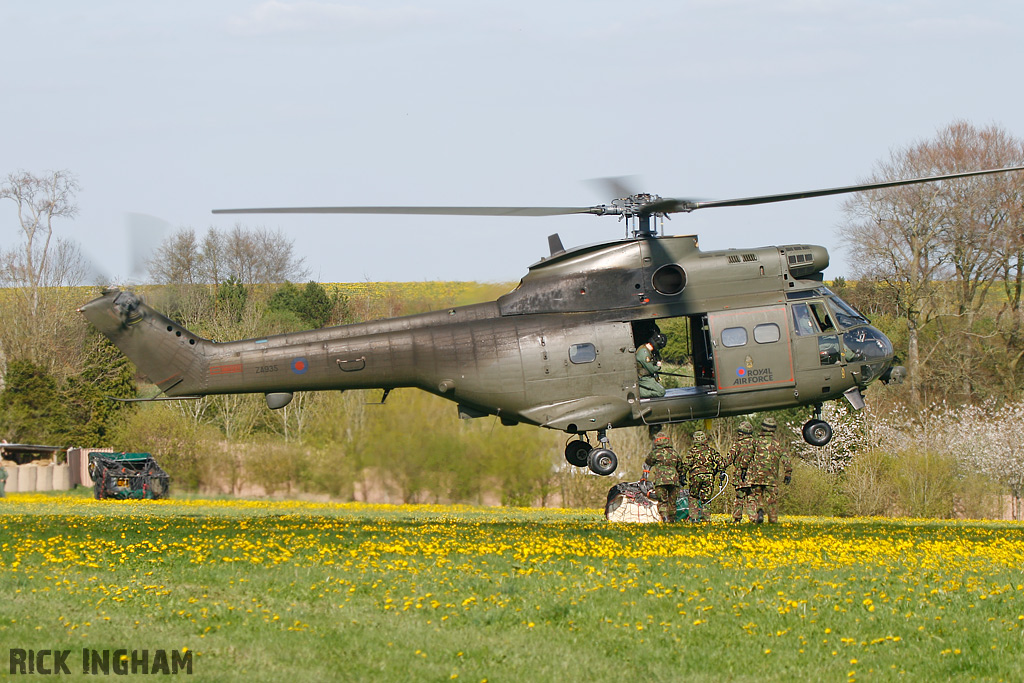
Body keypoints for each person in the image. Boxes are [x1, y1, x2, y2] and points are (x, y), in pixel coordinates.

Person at [743, 417, 793, 523]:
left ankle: (760, 511)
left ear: (763, 427)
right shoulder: (778, 444)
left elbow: (747, 457)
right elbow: (786, 459)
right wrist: (788, 473)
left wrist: (744, 470)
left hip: (756, 476)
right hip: (771, 478)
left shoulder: (756, 442)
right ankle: (773, 521)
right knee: (772, 500)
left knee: (757, 496)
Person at [644, 431, 686, 523]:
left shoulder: (655, 453)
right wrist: (682, 478)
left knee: (663, 501)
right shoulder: (674, 453)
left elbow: (647, 462)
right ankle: (672, 520)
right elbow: (681, 467)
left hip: (660, 481)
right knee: (672, 502)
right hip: (674, 481)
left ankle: (665, 519)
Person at [685, 430, 724, 522]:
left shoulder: (692, 452)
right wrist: (719, 471)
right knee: (706, 500)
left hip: (695, 477)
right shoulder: (711, 451)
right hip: (709, 477)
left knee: (693, 497)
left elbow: (686, 465)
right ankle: (706, 520)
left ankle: (694, 518)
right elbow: (721, 462)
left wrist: (682, 475)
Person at [725, 421, 756, 522]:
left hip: (740, 477)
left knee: (739, 499)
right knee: (752, 498)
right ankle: (753, 519)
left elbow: (729, 459)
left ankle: (737, 519)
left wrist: (720, 467)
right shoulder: (756, 444)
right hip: (753, 477)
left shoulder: (737, 445)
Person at [636, 333, 667, 398]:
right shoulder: (644, 353)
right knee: (661, 392)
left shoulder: (645, 350)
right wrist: (658, 366)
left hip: (645, 377)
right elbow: (652, 369)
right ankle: (637, 393)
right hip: (643, 378)